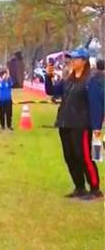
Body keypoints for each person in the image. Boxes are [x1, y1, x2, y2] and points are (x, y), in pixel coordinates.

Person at [45, 49, 103, 201]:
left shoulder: (91, 81)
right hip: (65, 123)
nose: (71, 61)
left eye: (75, 59)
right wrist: (48, 76)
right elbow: (51, 91)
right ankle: (80, 187)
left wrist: (97, 127)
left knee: (84, 157)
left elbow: (96, 105)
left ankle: (95, 188)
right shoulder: (68, 80)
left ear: (84, 61)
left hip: (81, 125)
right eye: (71, 59)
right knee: (70, 156)